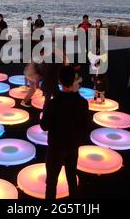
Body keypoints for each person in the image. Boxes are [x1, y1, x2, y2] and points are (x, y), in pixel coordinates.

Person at [40, 65, 91, 199]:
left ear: (60, 81)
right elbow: (85, 126)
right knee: (72, 178)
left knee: (51, 181)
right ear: (74, 80)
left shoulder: (53, 103)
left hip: (55, 147)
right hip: (73, 146)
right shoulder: (83, 103)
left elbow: (44, 126)